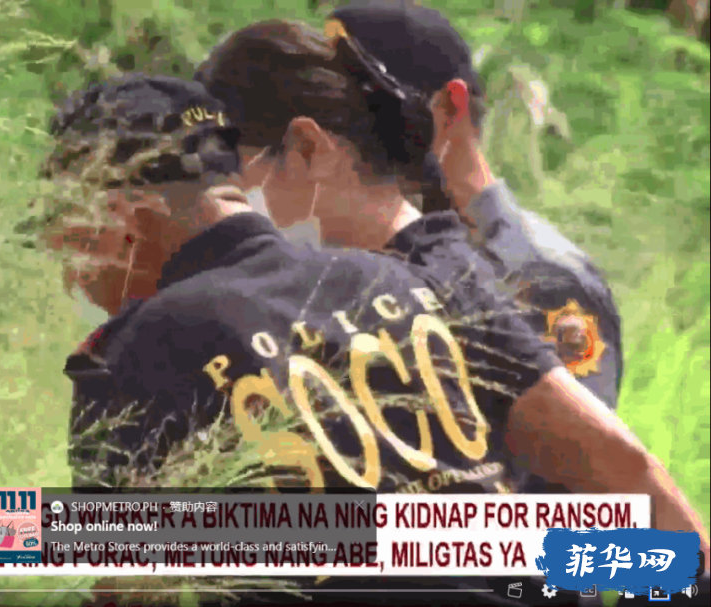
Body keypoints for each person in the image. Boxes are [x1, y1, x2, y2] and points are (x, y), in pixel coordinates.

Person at [40, 73, 709, 606]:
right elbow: (619, 460)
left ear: (119, 213)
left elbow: (131, 589)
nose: (65, 265)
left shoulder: (137, 352)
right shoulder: (413, 280)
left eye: (63, 230)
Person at [193, 4, 624, 501]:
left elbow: (578, 484)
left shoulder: (538, 275)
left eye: (366, 98)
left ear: (448, 108)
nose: (345, 119)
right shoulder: (344, 259)